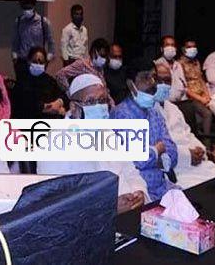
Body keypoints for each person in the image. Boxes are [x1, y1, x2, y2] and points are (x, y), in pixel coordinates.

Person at [37, 73, 147, 213]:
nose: (99, 106)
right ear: (74, 107)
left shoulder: (108, 133)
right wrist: (109, 208)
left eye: (102, 100)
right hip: (92, 222)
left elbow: (131, 172)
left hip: (130, 213)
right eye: (90, 101)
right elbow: (58, 205)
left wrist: (139, 192)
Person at [111, 59, 178, 201]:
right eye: (145, 78)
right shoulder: (121, 114)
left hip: (163, 187)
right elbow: (136, 161)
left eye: (153, 77)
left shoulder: (154, 112)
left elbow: (172, 151)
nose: (152, 82)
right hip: (139, 194)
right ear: (131, 84)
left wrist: (153, 153)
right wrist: (158, 151)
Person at [155, 63, 215, 190]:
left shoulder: (173, 108)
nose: (163, 84)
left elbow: (188, 133)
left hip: (196, 161)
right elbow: (158, 148)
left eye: (167, 80)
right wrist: (187, 156)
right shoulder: (146, 111)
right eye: (159, 80)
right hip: (175, 168)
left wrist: (200, 149)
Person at [170, 38, 214, 136]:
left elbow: (201, 79)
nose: (192, 49)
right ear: (183, 49)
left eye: (194, 46)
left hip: (202, 95)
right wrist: (200, 99)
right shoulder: (179, 64)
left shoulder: (196, 62)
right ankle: (206, 140)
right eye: (189, 47)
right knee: (207, 114)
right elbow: (184, 87)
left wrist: (207, 95)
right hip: (190, 98)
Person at [11, 46, 68, 120]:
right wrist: (44, 108)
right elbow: (23, 104)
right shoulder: (22, 82)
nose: (38, 64)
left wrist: (59, 102)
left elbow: (64, 96)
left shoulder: (49, 81)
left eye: (41, 62)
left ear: (45, 64)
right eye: (35, 62)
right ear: (29, 61)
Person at [11, 0, 56, 79]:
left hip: (37, 62)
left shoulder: (43, 22)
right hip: (22, 62)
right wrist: (15, 57)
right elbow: (15, 42)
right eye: (25, 8)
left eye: (29, 7)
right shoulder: (19, 21)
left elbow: (51, 42)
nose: (27, 10)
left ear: (34, 6)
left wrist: (47, 58)